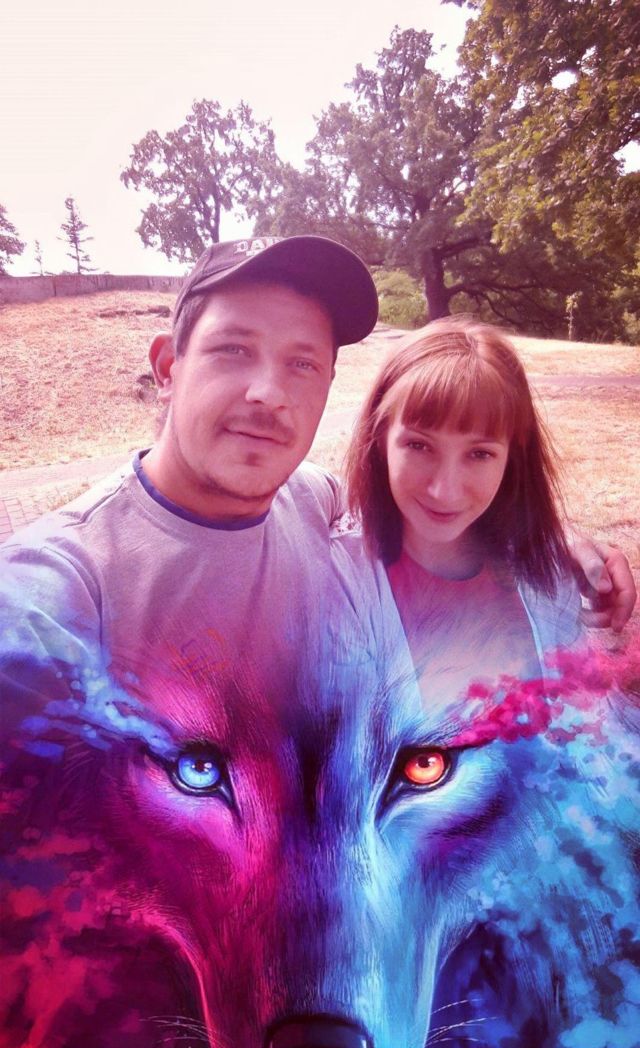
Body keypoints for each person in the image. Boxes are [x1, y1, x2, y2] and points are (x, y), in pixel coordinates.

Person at [0, 238, 634, 746]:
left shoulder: (309, 500)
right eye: (233, 349)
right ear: (168, 367)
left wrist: (556, 540)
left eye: (302, 364)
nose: (269, 393)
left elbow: (431, 505)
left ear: (329, 384)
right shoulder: (55, 591)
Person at [342, 316, 633, 714]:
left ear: (513, 456)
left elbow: (578, 720)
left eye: (479, 454)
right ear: (379, 440)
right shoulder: (339, 586)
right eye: (419, 446)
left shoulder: (547, 577)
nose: (444, 490)